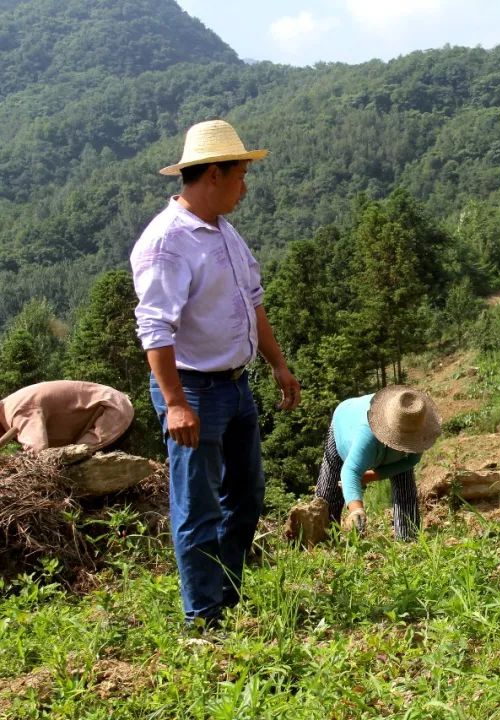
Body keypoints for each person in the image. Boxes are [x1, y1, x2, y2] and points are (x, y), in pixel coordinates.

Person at [130, 119, 302, 628]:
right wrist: (176, 403)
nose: (245, 187)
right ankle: (202, 620)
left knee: (245, 497)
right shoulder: (167, 242)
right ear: (212, 176)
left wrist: (277, 363)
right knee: (198, 507)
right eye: (240, 176)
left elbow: (253, 303)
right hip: (195, 390)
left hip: (235, 385)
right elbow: (154, 327)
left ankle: (225, 598)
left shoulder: (224, 232)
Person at [313, 386, 441, 541]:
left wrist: (372, 476)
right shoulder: (367, 435)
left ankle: (408, 540)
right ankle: (324, 541)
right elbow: (350, 471)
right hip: (344, 422)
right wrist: (356, 510)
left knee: (405, 486)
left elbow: (410, 462)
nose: (407, 445)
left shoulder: (417, 428)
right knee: (329, 493)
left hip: (385, 449)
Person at [0, 380, 134, 452]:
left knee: (72, 461)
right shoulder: (10, 407)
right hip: (111, 405)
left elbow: (37, 452)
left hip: (111, 410)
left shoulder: (17, 411)